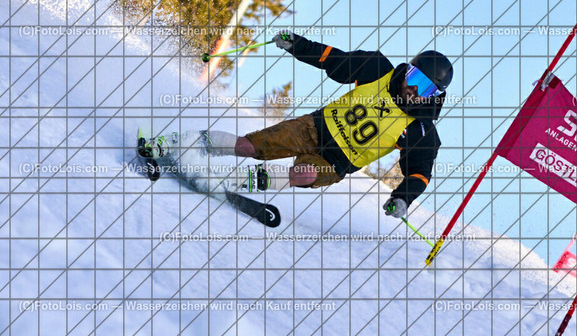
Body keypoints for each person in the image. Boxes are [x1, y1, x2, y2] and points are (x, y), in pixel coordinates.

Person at [138, 31, 453, 218]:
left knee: (303, 174)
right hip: (313, 127)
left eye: (425, 88)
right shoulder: (378, 69)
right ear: (407, 70)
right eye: (414, 78)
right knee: (248, 146)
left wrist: (402, 198)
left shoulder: (421, 130)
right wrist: (297, 44)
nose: (413, 89)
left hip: (337, 161)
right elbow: (332, 59)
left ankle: (227, 180)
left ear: (434, 96)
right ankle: (172, 144)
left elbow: (419, 173)